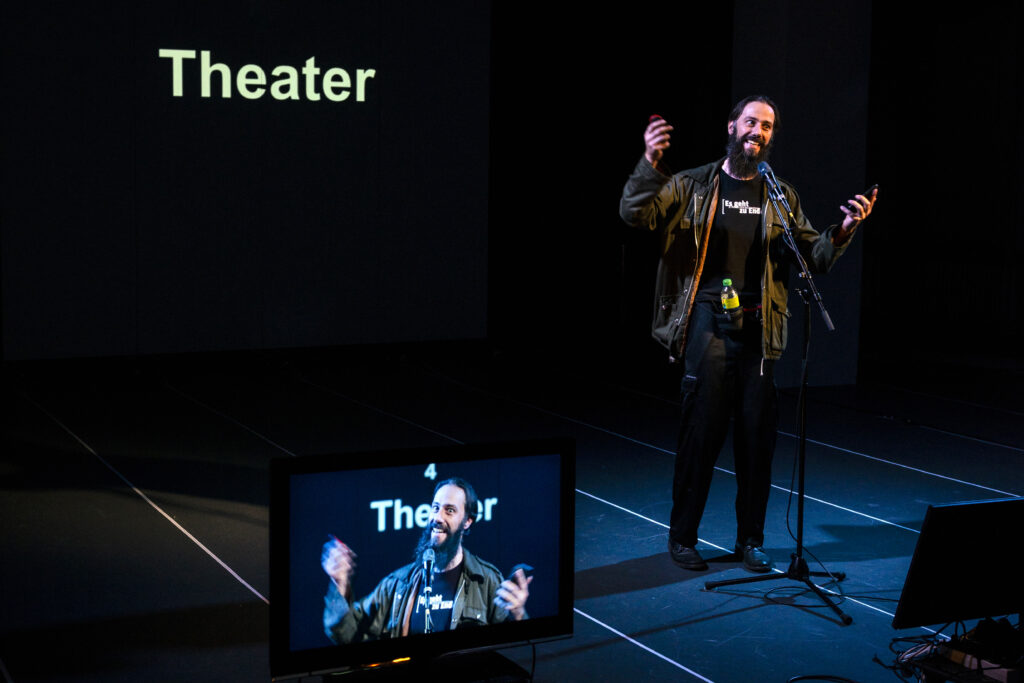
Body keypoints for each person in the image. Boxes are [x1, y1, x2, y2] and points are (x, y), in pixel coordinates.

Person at [618, 95, 876, 572]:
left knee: (758, 440)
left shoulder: (780, 195)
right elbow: (636, 216)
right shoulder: (692, 184)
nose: (759, 131)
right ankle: (683, 537)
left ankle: (751, 541)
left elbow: (813, 256)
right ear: (733, 126)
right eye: (752, 122)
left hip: (762, 327)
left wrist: (842, 230)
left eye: (768, 126)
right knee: (701, 434)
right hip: (705, 324)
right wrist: (649, 165)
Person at [321, 477, 532, 642]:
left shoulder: (486, 580)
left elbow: (514, 648)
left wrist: (519, 615)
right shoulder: (397, 584)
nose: (437, 517)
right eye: (435, 507)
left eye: (449, 510)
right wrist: (339, 582)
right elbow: (347, 634)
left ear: (467, 521)